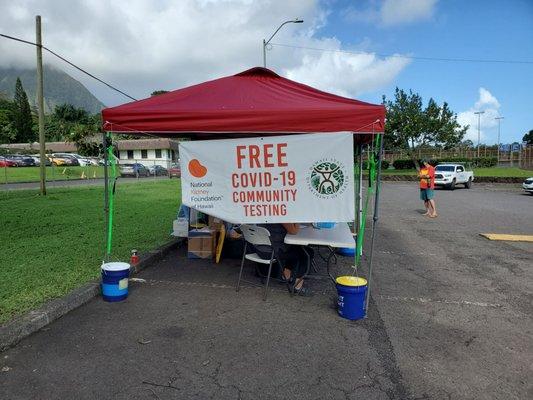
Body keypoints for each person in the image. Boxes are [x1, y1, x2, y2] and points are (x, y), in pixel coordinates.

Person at [255, 223, 311, 296]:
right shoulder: (282, 215)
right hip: (271, 252)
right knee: (307, 253)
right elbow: (294, 231)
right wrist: (297, 219)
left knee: (294, 248)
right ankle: (298, 287)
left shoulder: (266, 213)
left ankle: (286, 276)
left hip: (259, 249)